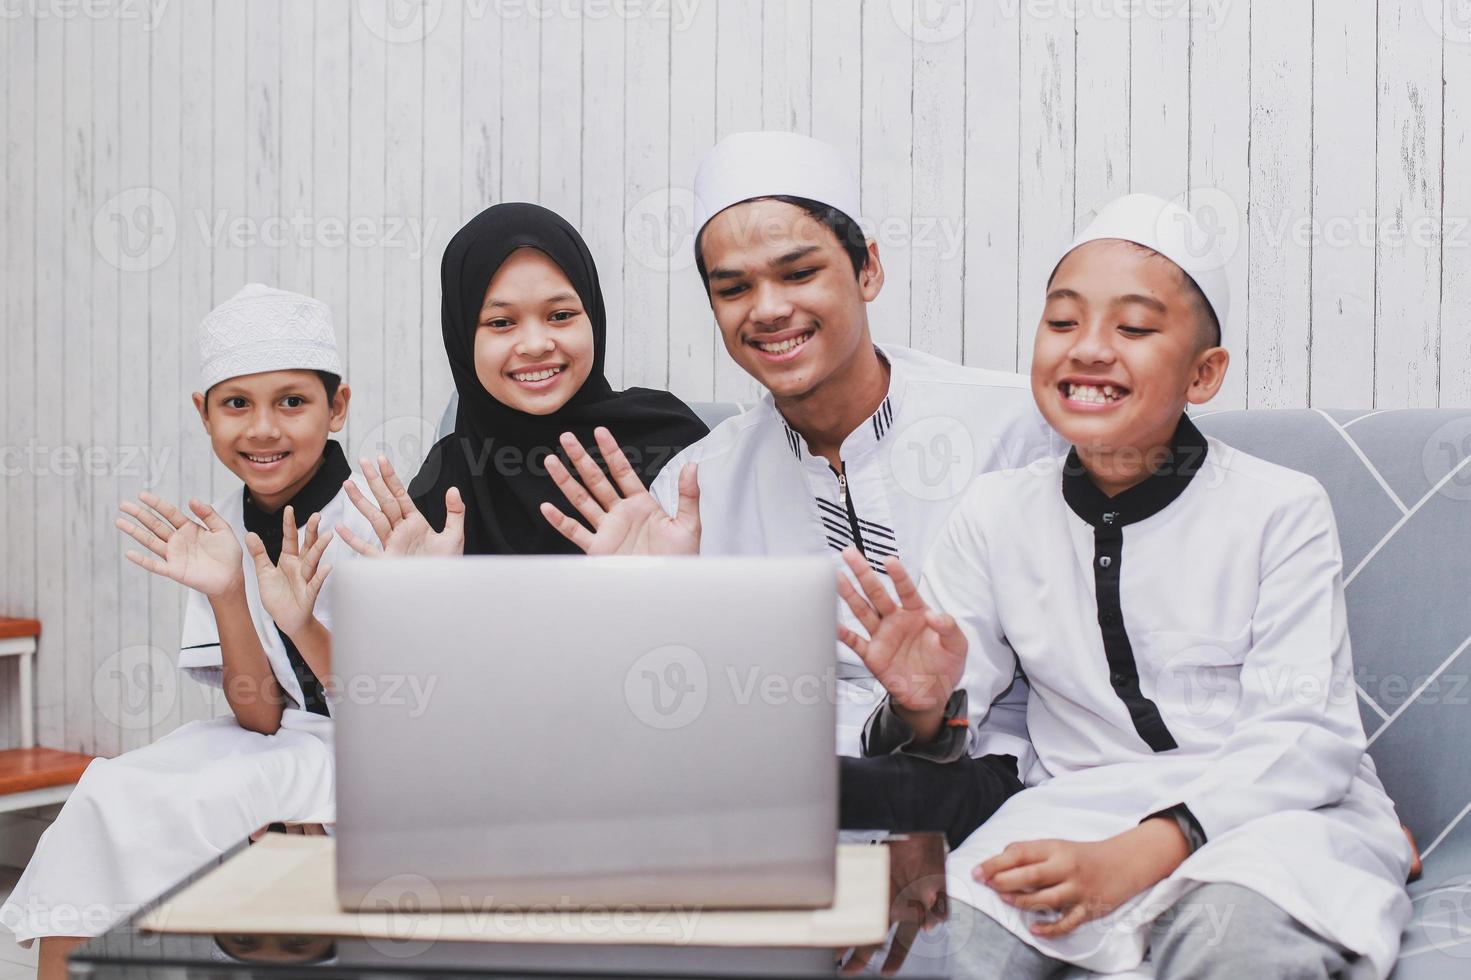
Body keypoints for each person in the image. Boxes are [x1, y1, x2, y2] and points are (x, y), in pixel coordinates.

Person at [838, 194, 1413, 978]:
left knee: (1234, 936)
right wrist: (920, 704)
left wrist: (1141, 853)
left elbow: (1304, 735)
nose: (1090, 349)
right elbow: (953, 717)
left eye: (1134, 329)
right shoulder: (995, 510)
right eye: (1062, 322)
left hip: (1266, 813)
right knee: (947, 941)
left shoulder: (1279, 507)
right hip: (1074, 806)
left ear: (1203, 373)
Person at [538, 131, 1062, 846]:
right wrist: (643, 608)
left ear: (867, 268)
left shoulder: (1015, 427)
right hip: (766, 798)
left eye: (797, 273)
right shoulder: (698, 486)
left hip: (987, 784)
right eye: (733, 288)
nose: (767, 308)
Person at [1, 284, 379, 980]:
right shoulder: (219, 527)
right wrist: (229, 594)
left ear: (338, 408)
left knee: (210, 800)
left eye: (291, 401)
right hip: (280, 736)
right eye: (236, 403)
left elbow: (398, 707)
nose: (263, 428)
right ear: (203, 415)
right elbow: (260, 713)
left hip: (380, 751)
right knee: (106, 791)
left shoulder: (377, 517)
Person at [334, 202, 708, 558]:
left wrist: (671, 580)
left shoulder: (672, 444)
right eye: (501, 323)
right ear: (463, 338)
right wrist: (424, 595)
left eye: (560, 315)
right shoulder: (449, 480)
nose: (535, 345)